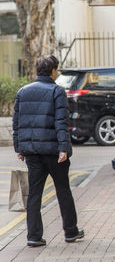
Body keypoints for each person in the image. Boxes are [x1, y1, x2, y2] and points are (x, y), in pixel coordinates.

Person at [13, 55, 84, 247]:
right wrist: (64, 148)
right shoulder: (56, 91)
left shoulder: (22, 92)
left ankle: (33, 236)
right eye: (56, 69)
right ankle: (70, 232)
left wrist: (18, 148)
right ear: (52, 71)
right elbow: (61, 122)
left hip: (32, 153)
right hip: (53, 151)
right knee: (63, 190)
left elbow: (17, 123)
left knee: (34, 193)